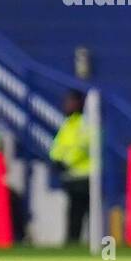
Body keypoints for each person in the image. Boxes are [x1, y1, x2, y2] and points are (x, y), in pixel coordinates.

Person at [50, 90, 92, 244]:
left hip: (87, 176)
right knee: (74, 213)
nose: (67, 105)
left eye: (71, 101)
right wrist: (55, 160)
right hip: (72, 177)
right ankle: (73, 243)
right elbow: (57, 146)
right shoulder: (67, 124)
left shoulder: (85, 123)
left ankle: (96, 243)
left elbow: (83, 146)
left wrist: (66, 161)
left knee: (90, 213)